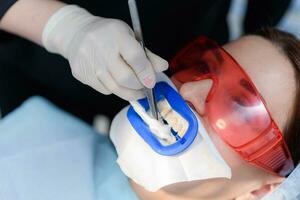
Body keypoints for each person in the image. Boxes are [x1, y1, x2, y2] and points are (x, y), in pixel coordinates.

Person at [0, 27, 298, 200]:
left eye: (239, 108)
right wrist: (58, 25)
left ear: (261, 191)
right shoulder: (30, 133)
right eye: (202, 67)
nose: (189, 92)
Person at [0, 0, 291, 122]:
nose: (191, 97)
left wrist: (229, 64)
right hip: (36, 60)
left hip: (185, 51)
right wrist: (63, 27)